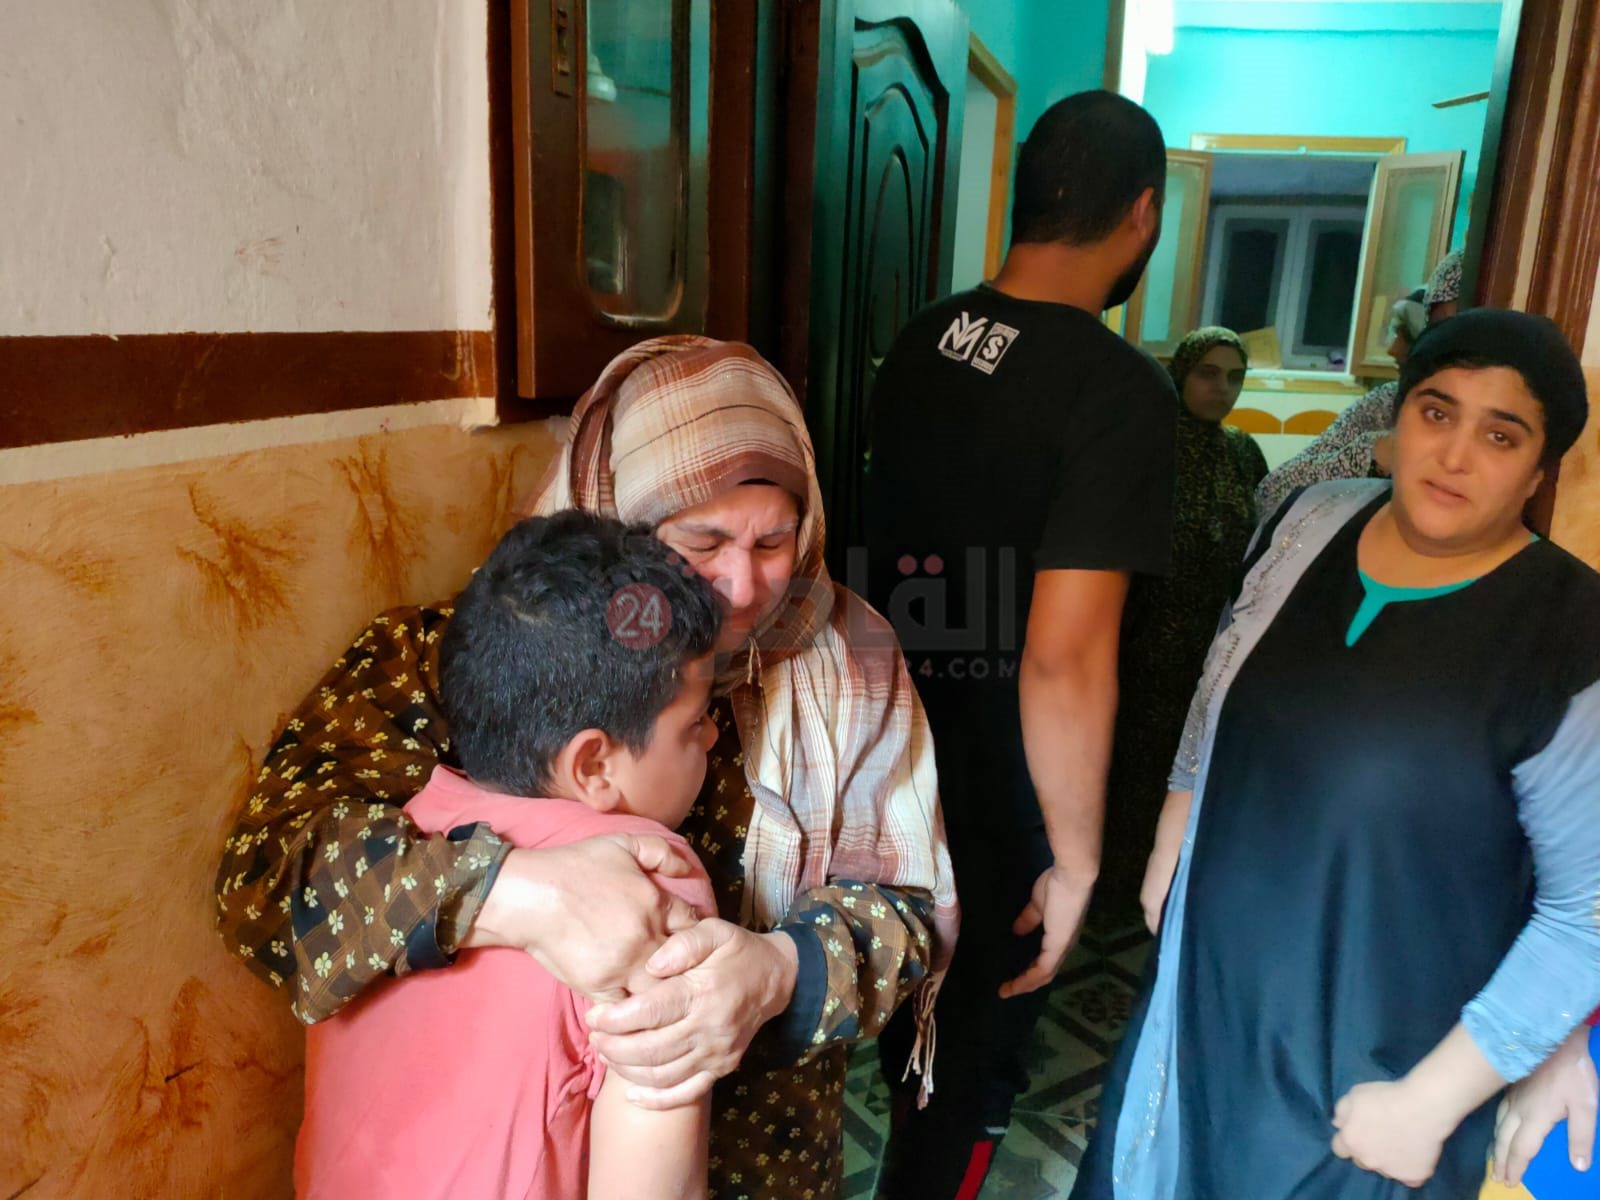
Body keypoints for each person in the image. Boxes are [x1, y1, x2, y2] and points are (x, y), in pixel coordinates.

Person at [215, 337, 958, 1200]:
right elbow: (266, 879)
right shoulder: (473, 653)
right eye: (701, 540)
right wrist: (509, 894)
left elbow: (911, 909)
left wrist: (780, 973)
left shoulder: (850, 661)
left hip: (768, 1162)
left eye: (774, 541)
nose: (742, 586)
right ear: (619, 518)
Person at [1074, 308, 1600, 1199]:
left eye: (1500, 434)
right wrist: (1178, 808)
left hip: (1377, 1079)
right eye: (1437, 412)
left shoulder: (1569, 632)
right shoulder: (1312, 521)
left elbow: (1585, 916)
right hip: (1203, 1008)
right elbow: (1225, 668)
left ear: (1539, 468)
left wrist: (1434, 1102)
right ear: (1398, 418)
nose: (1455, 454)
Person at [863, 89, 1177, 1198]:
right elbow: (1064, 656)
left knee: (907, 1028)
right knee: (969, 1062)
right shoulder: (1117, 391)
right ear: (1142, 213)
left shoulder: (922, 338)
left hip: (882, 756)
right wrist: (1080, 860)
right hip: (999, 796)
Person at [296, 511, 722, 1199]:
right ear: (593, 766)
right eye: (695, 721)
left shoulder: (402, 837)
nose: (712, 737)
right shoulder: (652, 880)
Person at [1100, 326, 1267, 919]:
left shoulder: (1243, 451)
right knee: (1134, 766)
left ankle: (1168, 888)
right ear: (1181, 374)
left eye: (1235, 377)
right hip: (1145, 636)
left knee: (1191, 764)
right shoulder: (1148, 445)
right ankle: (1113, 896)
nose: (1222, 388)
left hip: (1213, 639)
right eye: (1208, 373)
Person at [1256, 250, 1464, 516]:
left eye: (1406, 338)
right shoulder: (1385, 405)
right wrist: (1374, 453)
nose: (1393, 350)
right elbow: (1271, 493)